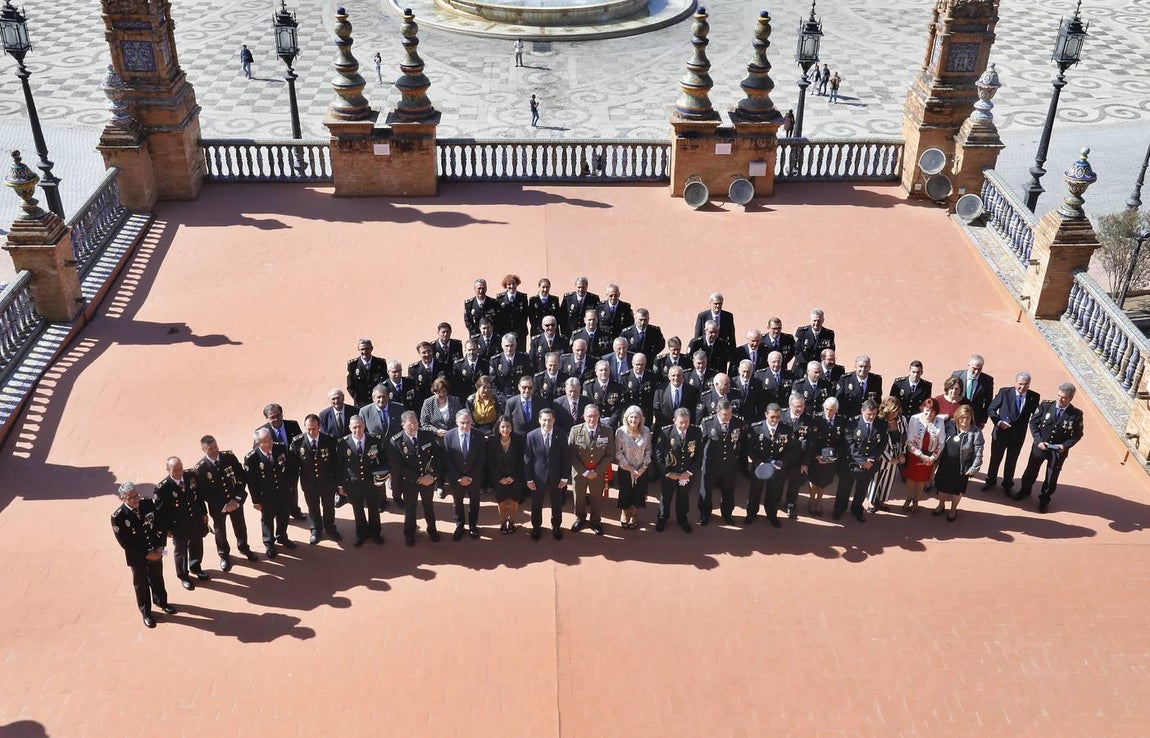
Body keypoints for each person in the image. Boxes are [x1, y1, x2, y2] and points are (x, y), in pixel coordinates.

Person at [111, 482, 176, 628]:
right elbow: (125, 543)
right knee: (141, 585)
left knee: (157, 578)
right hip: (137, 557)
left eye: (136, 495)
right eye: (131, 498)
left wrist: (161, 545)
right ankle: (146, 613)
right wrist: (146, 554)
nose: (136, 500)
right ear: (123, 498)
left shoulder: (147, 503)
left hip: (155, 550)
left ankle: (162, 602)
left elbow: (160, 523)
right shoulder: (118, 517)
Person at [1016, 382, 1084, 512]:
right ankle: (1024, 490)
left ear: (1070, 398)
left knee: (1051, 476)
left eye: (1063, 398)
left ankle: (1044, 499)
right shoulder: (1046, 405)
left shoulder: (1076, 414)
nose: (1059, 399)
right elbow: (1033, 423)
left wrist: (1064, 446)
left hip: (1058, 451)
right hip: (1041, 446)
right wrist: (1038, 441)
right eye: (1058, 396)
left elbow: (1077, 435)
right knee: (1031, 470)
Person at [194, 435, 258, 570]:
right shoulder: (200, 469)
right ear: (203, 450)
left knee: (240, 526)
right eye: (210, 449)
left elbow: (241, 477)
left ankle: (244, 547)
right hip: (218, 507)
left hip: (235, 502)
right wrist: (224, 506)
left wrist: (237, 499)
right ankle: (223, 554)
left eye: (215, 446)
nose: (214, 450)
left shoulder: (229, 457)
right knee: (220, 531)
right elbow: (203, 493)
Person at [154, 456, 209, 591]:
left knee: (197, 545)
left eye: (180, 468)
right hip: (178, 525)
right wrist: (167, 529)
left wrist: (203, 513)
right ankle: (183, 576)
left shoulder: (190, 476)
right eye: (175, 469)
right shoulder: (163, 488)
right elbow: (161, 513)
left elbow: (199, 496)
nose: (179, 472)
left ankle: (196, 567)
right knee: (181, 551)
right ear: (168, 470)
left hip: (194, 519)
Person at [982, 372, 1041, 493]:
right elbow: (991, 409)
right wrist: (999, 422)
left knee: (1012, 460)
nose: (1022, 387)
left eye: (1026, 384)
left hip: (1018, 436)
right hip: (1000, 433)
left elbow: (1036, 416)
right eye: (1020, 384)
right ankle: (990, 481)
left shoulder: (1034, 396)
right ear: (1015, 383)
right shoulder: (1004, 392)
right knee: (995, 458)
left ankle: (1007, 484)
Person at [390, 410, 442, 546]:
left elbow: (437, 456)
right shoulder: (396, 441)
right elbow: (398, 467)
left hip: (428, 479)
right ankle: (409, 533)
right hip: (409, 482)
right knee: (410, 508)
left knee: (428, 506)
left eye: (415, 423)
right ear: (403, 425)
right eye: (410, 424)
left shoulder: (427, 435)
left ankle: (432, 530)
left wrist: (433, 475)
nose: (413, 426)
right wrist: (419, 478)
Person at [289, 414, 341, 544]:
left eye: (314, 429)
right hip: (309, 483)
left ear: (319, 427)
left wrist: (337, 483)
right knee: (313, 507)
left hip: (327, 482)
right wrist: (292, 484)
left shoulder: (329, 440)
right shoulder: (297, 442)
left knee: (329, 507)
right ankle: (316, 529)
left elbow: (335, 463)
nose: (311, 432)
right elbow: (293, 465)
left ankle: (330, 528)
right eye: (308, 429)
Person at [244, 427, 295, 557]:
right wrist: (256, 501)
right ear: (258, 443)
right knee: (267, 520)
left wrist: (290, 486)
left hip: (282, 492)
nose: (270, 443)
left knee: (283, 516)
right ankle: (269, 543)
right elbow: (251, 482)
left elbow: (288, 467)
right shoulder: (252, 458)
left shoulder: (280, 447)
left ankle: (282, 536)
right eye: (266, 442)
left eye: (270, 439)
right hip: (266, 496)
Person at [835, 399, 886, 523]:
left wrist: (871, 460)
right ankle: (839, 509)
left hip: (870, 464)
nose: (871, 417)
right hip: (852, 463)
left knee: (862, 489)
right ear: (862, 411)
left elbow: (882, 444)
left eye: (874, 414)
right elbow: (850, 445)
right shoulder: (852, 423)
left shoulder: (881, 424)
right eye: (869, 414)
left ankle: (857, 509)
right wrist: (862, 461)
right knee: (844, 488)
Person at [568, 404, 615, 534]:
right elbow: (571, 455)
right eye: (589, 416)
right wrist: (584, 472)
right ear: (583, 416)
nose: (592, 419)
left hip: (597, 473)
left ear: (599, 416)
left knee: (596, 498)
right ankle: (580, 518)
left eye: (595, 416)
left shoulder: (607, 431)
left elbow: (610, 454)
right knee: (579, 497)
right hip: (580, 472)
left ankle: (595, 521)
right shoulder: (575, 431)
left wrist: (597, 471)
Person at [339, 416, 385, 547]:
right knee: (358, 510)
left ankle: (376, 533)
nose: (357, 430)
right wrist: (340, 485)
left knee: (374, 510)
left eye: (359, 427)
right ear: (350, 428)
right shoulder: (343, 443)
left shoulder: (375, 440)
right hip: (353, 484)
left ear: (364, 426)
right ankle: (361, 534)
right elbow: (339, 466)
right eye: (354, 427)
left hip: (371, 482)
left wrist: (381, 477)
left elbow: (383, 460)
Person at [524, 409, 570, 540]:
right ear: (539, 420)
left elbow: (566, 458)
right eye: (544, 420)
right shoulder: (531, 436)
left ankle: (556, 526)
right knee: (536, 503)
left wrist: (565, 477)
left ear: (554, 420)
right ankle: (536, 527)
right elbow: (527, 459)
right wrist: (529, 479)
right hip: (537, 477)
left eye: (550, 420)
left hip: (556, 476)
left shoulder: (561, 435)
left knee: (557, 503)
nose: (547, 423)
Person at [655, 407, 703, 533]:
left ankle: (682, 519)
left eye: (686, 422)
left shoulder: (696, 432)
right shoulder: (666, 433)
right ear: (674, 421)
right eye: (681, 422)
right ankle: (662, 518)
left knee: (683, 497)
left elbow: (699, 454)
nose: (683, 425)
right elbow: (658, 455)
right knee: (666, 496)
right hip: (670, 472)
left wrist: (689, 472)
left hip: (686, 473)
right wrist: (667, 473)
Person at [932, 404, 984, 521]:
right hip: (945, 463)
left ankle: (953, 509)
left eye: (967, 417)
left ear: (971, 418)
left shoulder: (975, 432)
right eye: (962, 417)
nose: (964, 420)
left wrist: (974, 468)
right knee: (942, 487)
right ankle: (941, 505)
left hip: (962, 467)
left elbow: (978, 453)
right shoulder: (950, 425)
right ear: (957, 417)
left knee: (957, 491)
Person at [744, 403, 792, 527]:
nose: (775, 420)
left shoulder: (786, 429)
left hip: (777, 467)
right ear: (766, 415)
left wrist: (782, 461)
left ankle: (772, 515)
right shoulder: (756, 428)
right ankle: (751, 514)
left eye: (777, 417)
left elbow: (790, 449)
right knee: (755, 491)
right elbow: (749, 448)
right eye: (772, 417)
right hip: (760, 466)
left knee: (774, 492)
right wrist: (758, 462)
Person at [699, 400, 745, 525]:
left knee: (728, 491)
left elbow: (742, 441)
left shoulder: (738, 422)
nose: (728, 417)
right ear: (718, 412)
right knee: (706, 490)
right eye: (725, 414)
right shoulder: (707, 423)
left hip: (729, 464)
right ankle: (705, 514)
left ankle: (727, 514)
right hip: (711, 463)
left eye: (730, 413)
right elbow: (700, 443)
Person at [443, 410, 487, 540]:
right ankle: (459, 526)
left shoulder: (479, 435)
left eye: (468, 422)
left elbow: (481, 459)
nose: (465, 426)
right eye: (462, 423)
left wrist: (471, 476)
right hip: (456, 478)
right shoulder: (449, 436)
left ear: (471, 422)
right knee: (457, 502)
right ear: (456, 422)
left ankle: (473, 526)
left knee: (474, 502)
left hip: (474, 477)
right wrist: (459, 477)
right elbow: (448, 459)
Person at [258, 403, 306, 521]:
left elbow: (301, 443)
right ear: (267, 418)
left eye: (278, 415)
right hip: (274, 469)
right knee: (277, 492)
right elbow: (258, 452)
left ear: (282, 414)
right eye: (272, 417)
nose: (276, 419)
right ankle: (279, 513)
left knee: (293, 490)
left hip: (291, 466)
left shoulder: (292, 425)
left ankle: (295, 511)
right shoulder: (261, 432)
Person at [808, 397, 848, 516]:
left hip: (831, 457)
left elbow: (843, 441)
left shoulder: (841, 420)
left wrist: (836, 456)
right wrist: (816, 455)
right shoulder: (816, 419)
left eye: (831, 410)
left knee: (824, 481)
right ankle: (811, 500)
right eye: (826, 409)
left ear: (836, 410)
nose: (828, 412)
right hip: (817, 456)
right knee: (813, 480)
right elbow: (812, 440)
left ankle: (819, 501)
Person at [615, 405, 653, 529]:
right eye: (631, 417)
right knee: (625, 492)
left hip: (641, 469)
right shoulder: (620, 432)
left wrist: (643, 468)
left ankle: (634, 514)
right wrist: (630, 469)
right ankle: (624, 512)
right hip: (625, 469)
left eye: (636, 417)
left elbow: (649, 450)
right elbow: (618, 452)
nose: (633, 420)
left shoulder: (646, 431)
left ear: (641, 419)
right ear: (626, 418)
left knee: (639, 493)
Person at [866, 397, 907, 513]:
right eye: (892, 411)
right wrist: (889, 458)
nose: (894, 414)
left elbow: (904, 436)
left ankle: (880, 501)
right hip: (881, 456)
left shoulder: (902, 420)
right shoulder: (879, 421)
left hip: (896, 455)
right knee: (876, 480)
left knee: (887, 481)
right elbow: (876, 442)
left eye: (896, 411)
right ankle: (871, 502)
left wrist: (902, 453)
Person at [903, 398, 944, 512]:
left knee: (921, 481)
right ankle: (908, 499)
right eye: (927, 410)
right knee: (910, 479)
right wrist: (921, 455)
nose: (929, 414)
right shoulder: (914, 418)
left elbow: (941, 443)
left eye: (932, 411)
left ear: (936, 412)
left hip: (929, 456)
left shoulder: (940, 421)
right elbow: (909, 441)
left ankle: (916, 501)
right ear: (923, 409)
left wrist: (932, 457)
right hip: (915, 454)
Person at [488, 416, 525, 534]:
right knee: (501, 500)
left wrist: (513, 476)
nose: (505, 429)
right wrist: (499, 478)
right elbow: (490, 462)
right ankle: (503, 522)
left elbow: (522, 461)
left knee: (514, 500)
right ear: (498, 428)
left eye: (508, 426)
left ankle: (512, 522)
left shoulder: (519, 440)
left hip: (515, 477)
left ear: (511, 428)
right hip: (499, 478)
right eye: (503, 427)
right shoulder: (492, 441)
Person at [951, 354, 995, 427]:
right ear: (968, 365)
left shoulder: (987, 380)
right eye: (974, 368)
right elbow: (950, 394)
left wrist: (983, 421)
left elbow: (988, 401)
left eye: (979, 369)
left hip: (975, 418)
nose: (976, 372)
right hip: (956, 415)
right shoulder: (957, 375)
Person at [837, 355, 883, 420]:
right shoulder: (845, 379)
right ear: (855, 366)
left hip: (869, 418)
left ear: (870, 367)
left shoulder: (876, 380)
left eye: (866, 367)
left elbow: (878, 400)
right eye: (860, 366)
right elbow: (838, 399)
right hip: (850, 418)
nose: (863, 369)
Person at [347, 338, 388, 408]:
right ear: (358, 349)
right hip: (360, 404)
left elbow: (385, 382)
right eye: (362, 349)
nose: (364, 351)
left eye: (367, 349)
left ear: (372, 348)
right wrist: (358, 400)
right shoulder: (353, 365)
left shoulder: (380, 363)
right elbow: (350, 387)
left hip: (378, 403)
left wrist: (380, 398)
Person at [489, 333, 532, 399]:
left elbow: (529, 377)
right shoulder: (495, 361)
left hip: (520, 396)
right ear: (502, 345)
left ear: (516, 345)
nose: (509, 349)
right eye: (507, 346)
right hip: (503, 398)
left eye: (512, 346)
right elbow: (493, 384)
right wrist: (501, 398)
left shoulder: (524, 358)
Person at [583, 360, 625, 428]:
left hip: (612, 424)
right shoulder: (589, 386)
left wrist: (609, 424)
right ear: (596, 372)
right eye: (601, 370)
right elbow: (587, 406)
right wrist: (597, 422)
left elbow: (619, 408)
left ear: (609, 371)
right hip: (594, 423)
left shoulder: (617, 386)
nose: (604, 372)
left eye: (606, 370)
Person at [408, 341, 447, 415]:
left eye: (429, 351)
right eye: (423, 352)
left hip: (440, 403)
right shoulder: (414, 369)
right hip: (423, 406)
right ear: (419, 354)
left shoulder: (442, 366)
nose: (427, 354)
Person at [497, 273, 530, 344]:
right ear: (505, 285)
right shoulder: (500, 298)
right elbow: (499, 317)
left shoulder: (523, 297)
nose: (511, 286)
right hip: (504, 332)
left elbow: (525, 315)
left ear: (517, 284)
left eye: (514, 283)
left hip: (520, 333)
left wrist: (516, 332)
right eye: (509, 284)